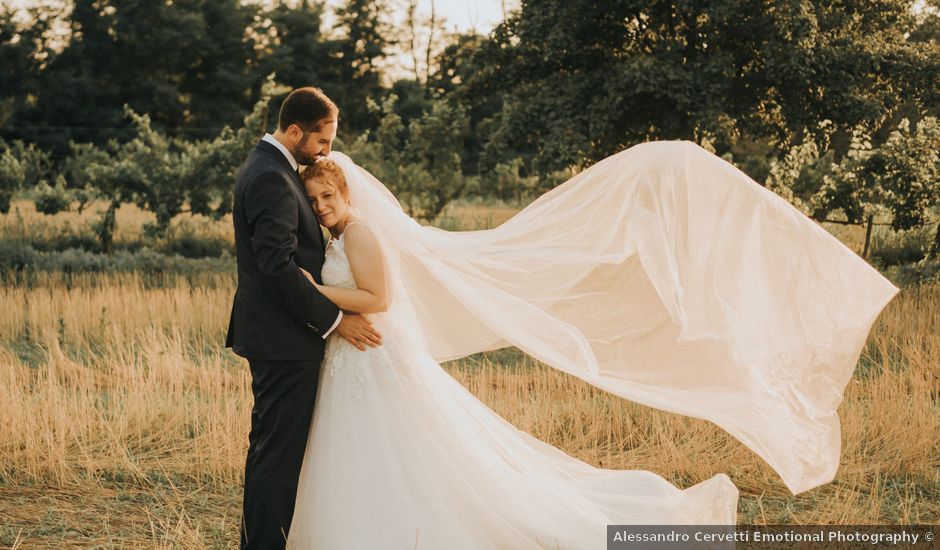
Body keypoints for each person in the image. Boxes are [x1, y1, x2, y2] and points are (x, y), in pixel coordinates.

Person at [284, 143, 897, 547]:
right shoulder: (338, 236)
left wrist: (318, 293)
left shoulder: (360, 235)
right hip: (358, 363)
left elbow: (380, 299)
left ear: (349, 197)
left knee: (410, 450)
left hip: (370, 355)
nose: (321, 207)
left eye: (328, 198)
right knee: (383, 449)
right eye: (313, 201)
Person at [225, 87, 382, 550]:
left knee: (272, 451)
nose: (326, 152)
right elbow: (277, 266)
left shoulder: (270, 167)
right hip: (284, 341)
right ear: (294, 130)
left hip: (279, 337)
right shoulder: (271, 177)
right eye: (322, 142)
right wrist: (336, 320)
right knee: (277, 456)